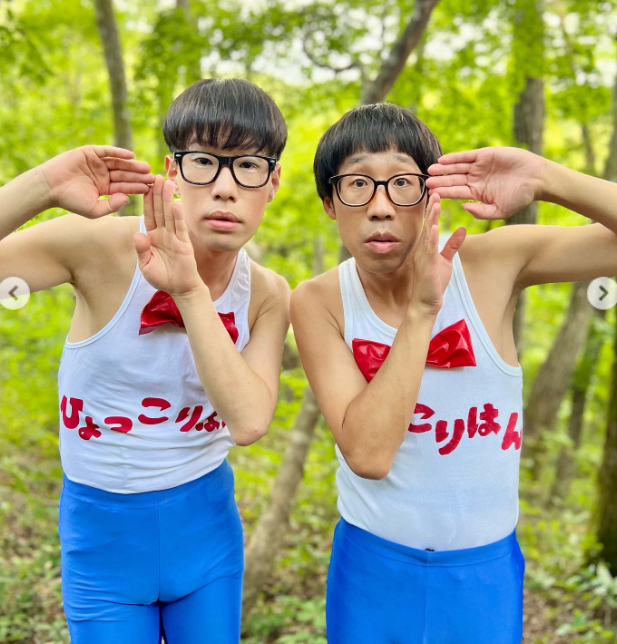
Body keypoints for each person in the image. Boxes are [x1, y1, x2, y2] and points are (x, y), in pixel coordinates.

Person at [290, 102, 617, 644]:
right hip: (371, 570)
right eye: (357, 185)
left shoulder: (493, 263)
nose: (380, 207)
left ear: (431, 196)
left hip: (485, 575)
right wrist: (423, 311)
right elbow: (368, 455)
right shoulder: (319, 301)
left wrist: (544, 177)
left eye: (402, 183)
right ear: (329, 202)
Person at [0, 78, 291, 643]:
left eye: (248, 167)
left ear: (272, 183)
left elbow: (250, 422)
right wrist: (43, 186)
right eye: (204, 162)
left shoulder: (267, 293)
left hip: (206, 536)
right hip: (102, 543)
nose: (225, 188)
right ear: (172, 172)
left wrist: (189, 292)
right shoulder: (100, 247)